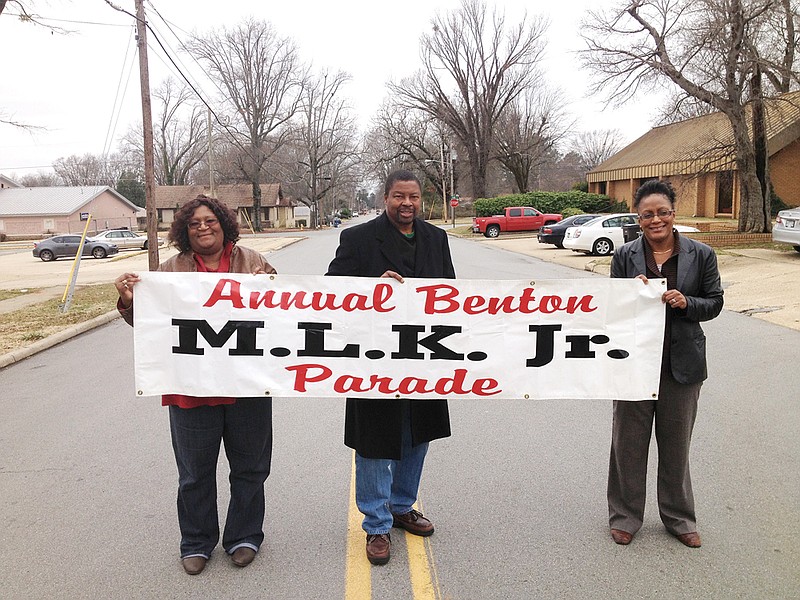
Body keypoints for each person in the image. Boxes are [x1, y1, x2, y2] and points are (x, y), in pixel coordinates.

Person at [114, 195, 276, 575]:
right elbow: (152, 327)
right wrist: (129, 302)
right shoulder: (169, 270)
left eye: (210, 220)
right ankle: (197, 542)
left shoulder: (253, 262)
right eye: (194, 223)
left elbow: (285, 315)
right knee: (194, 472)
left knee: (251, 467)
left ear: (224, 223)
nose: (203, 227)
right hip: (190, 389)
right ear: (184, 231)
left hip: (246, 387)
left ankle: (244, 536)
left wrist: (266, 289)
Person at [326, 170, 455, 565]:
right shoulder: (358, 238)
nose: (407, 204)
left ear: (421, 199)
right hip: (373, 357)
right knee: (375, 441)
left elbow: (453, 291)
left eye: (413, 197)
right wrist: (370, 287)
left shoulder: (436, 238)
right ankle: (377, 525)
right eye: (399, 196)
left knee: (417, 435)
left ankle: (401, 507)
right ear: (385, 198)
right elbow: (330, 288)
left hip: (424, 355)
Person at [607, 180, 723, 548]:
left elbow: (715, 302)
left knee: (676, 445)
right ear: (638, 219)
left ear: (673, 214)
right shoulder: (625, 256)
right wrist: (632, 293)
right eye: (647, 214)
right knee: (628, 443)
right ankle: (625, 516)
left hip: (682, 364)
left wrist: (686, 302)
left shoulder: (701, 254)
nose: (655, 220)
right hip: (634, 363)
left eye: (662, 212)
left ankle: (679, 518)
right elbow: (611, 308)